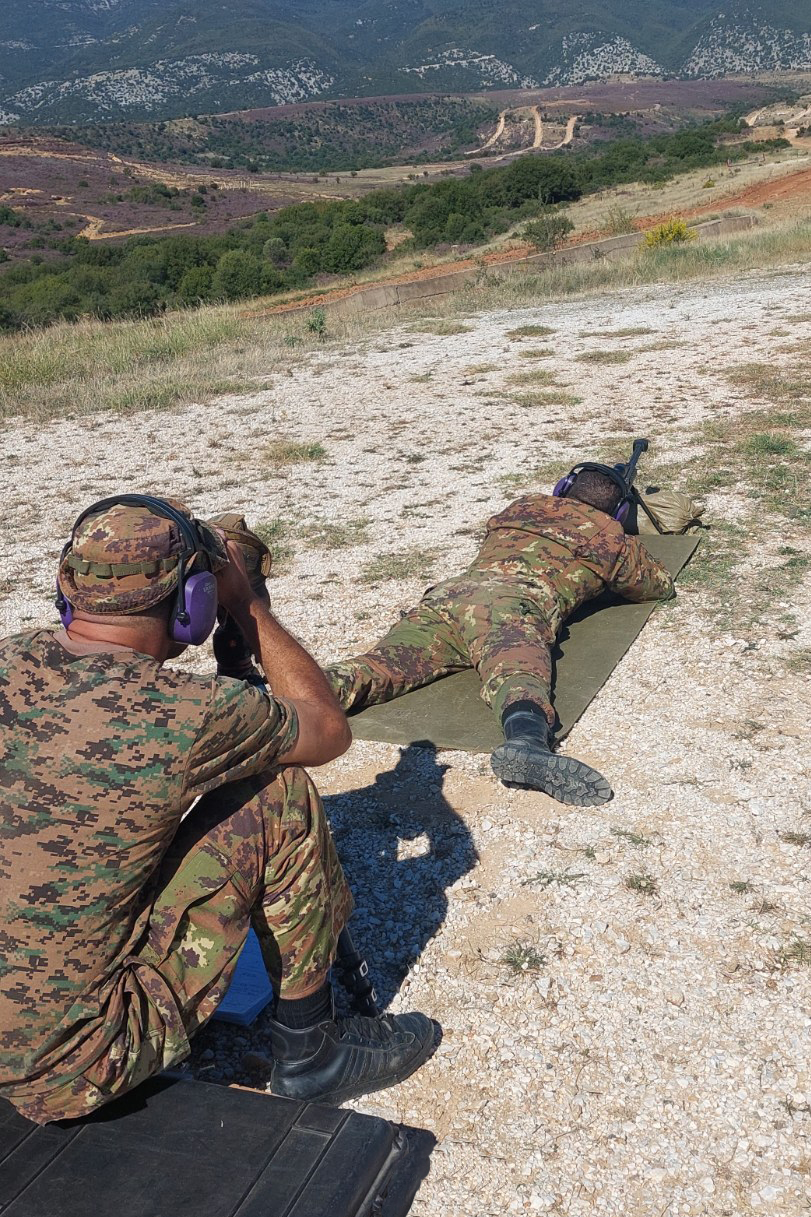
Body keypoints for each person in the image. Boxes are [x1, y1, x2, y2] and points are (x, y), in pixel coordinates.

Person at [0, 496, 437, 1124]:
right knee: (277, 792)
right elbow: (327, 729)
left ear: (67, 587)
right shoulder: (191, 711)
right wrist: (249, 605)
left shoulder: (12, 658)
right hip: (71, 1066)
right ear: (193, 602)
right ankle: (313, 1051)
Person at [327, 454, 676, 807]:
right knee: (518, 677)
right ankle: (527, 744)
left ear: (563, 488)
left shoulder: (523, 505)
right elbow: (657, 586)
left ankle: (298, 698)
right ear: (619, 511)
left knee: (378, 667)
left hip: (448, 598)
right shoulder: (610, 537)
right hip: (511, 607)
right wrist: (620, 543)